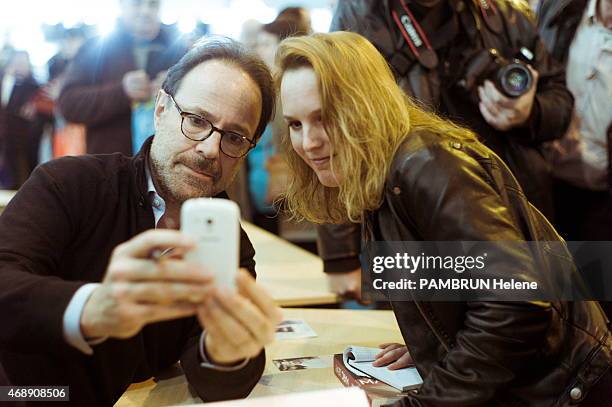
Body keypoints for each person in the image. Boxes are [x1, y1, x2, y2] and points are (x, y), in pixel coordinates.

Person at [276, 31, 611, 406]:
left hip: (564, 391)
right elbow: (466, 281)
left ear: (363, 106)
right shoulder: (383, 172)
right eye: (296, 124)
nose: (309, 142)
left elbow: (516, 304)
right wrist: (439, 341)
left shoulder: (427, 165)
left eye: (325, 118)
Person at [0, 37, 281, 406]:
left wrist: (225, 350)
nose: (210, 149)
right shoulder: (70, 184)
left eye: (233, 137)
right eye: (196, 121)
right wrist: (94, 308)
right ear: (161, 109)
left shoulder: (228, 241)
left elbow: (215, 379)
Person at [318, 0, 575, 299]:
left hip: (505, 214)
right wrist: (341, 257)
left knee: (519, 319)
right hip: (415, 216)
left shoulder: (504, 14)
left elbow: (560, 100)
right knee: (430, 333)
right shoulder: (361, 13)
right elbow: (336, 131)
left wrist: (530, 112)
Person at [58, 0, 186, 155]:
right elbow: (68, 104)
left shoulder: (180, 50)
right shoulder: (96, 48)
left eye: (153, 3)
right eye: (137, 3)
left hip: (166, 167)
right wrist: (122, 92)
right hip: (110, 169)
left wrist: (178, 89)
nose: (146, 11)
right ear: (121, 5)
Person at [0, 50, 39, 189]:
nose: (20, 66)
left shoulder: (35, 86)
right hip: (6, 138)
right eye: (17, 62)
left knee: (22, 173)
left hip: (25, 141)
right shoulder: (7, 82)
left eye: (23, 63)